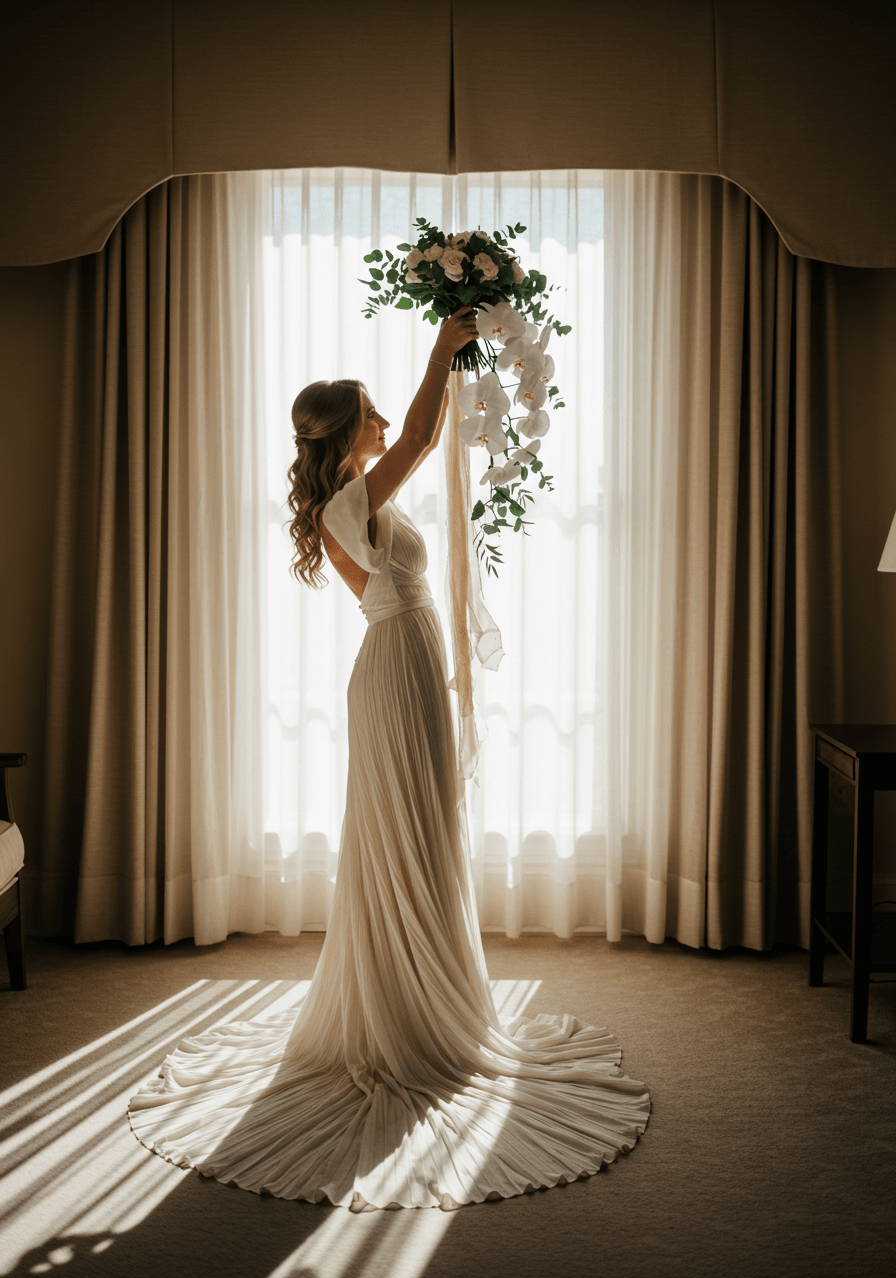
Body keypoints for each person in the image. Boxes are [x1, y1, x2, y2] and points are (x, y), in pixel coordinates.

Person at [128, 307, 650, 1212]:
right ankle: (407, 1016)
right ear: (344, 430)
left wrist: (449, 368)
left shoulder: (356, 498)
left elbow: (416, 442)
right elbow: (419, 436)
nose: (379, 423)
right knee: (408, 827)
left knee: (420, 827)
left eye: (376, 411)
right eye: (366, 412)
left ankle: (423, 988)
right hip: (395, 664)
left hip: (402, 658)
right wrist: (441, 349)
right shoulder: (347, 501)